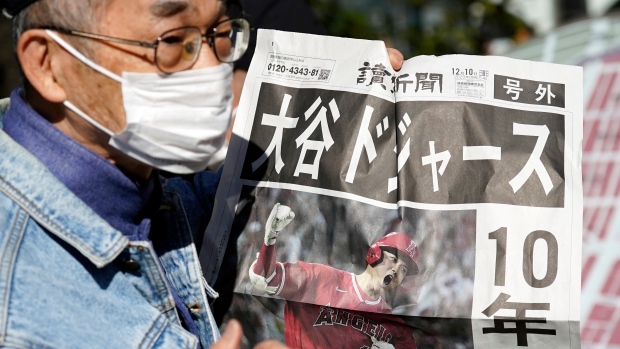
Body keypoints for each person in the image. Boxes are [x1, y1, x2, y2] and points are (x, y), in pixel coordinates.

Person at [0, 0, 404, 347]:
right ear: (48, 64)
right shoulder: (16, 300)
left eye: (222, 34)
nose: (214, 69)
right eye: (174, 42)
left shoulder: (178, 202)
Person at [249, 203, 419, 349]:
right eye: (394, 259)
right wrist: (270, 239)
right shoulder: (321, 278)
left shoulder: (396, 328)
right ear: (375, 254)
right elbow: (265, 278)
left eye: (404, 269)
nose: (396, 270)